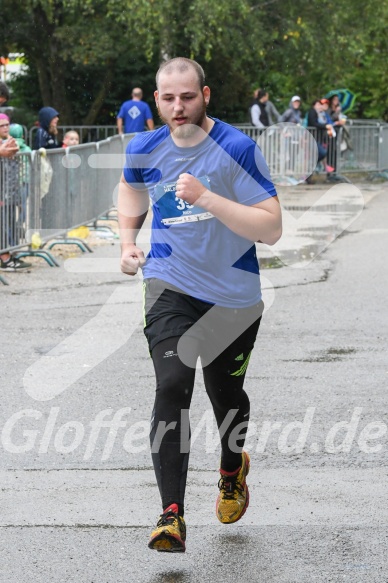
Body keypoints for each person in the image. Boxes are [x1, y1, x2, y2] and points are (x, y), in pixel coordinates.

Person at [118, 57, 282, 553]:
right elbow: (129, 187)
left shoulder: (235, 148)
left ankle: (232, 469)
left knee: (224, 395)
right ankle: (171, 515)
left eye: (187, 97)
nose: (177, 107)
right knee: (172, 384)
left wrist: (208, 198)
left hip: (233, 299)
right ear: (156, 98)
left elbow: (270, 228)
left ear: (205, 95)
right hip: (170, 287)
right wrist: (126, 240)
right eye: (167, 98)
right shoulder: (144, 146)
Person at [0, 114, 31, 270]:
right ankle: (5, 259)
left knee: (10, 222)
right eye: (2, 126)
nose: (6, 128)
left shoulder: (6, 141)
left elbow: (16, 148)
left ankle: (9, 254)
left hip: (11, 189)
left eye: (7, 125)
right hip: (2, 190)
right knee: (2, 225)